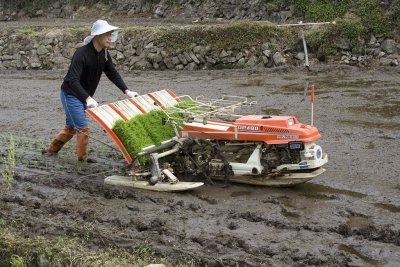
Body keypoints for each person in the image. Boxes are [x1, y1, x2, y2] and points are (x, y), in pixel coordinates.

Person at [43, 19, 138, 162]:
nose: (110, 38)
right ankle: (82, 160)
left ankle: (51, 151)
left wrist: (127, 91)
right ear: (98, 36)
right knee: (83, 128)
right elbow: (72, 80)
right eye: (107, 34)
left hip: (84, 96)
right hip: (71, 94)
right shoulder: (81, 54)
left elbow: (112, 73)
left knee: (71, 127)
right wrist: (87, 98)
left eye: (111, 34)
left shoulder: (104, 54)